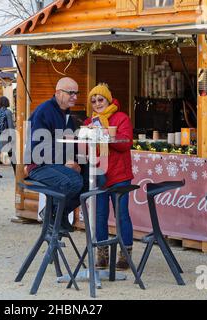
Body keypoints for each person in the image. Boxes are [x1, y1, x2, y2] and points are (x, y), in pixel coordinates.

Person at [83, 83, 134, 270]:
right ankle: (101, 253)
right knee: (100, 214)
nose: (97, 103)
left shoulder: (121, 118)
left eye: (100, 99)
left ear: (108, 99)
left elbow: (125, 143)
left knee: (121, 215)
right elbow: (84, 145)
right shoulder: (90, 122)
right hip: (99, 174)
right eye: (93, 100)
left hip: (119, 174)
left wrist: (104, 135)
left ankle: (125, 254)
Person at [25, 77, 83, 232]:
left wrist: (74, 160)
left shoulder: (67, 114)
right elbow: (39, 147)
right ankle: (51, 215)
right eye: (71, 93)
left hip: (55, 163)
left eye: (77, 93)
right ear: (58, 93)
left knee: (93, 180)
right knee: (73, 181)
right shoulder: (45, 111)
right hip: (38, 164)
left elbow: (69, 143)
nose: (75, 97)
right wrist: (66, 161)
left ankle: (59, 215)